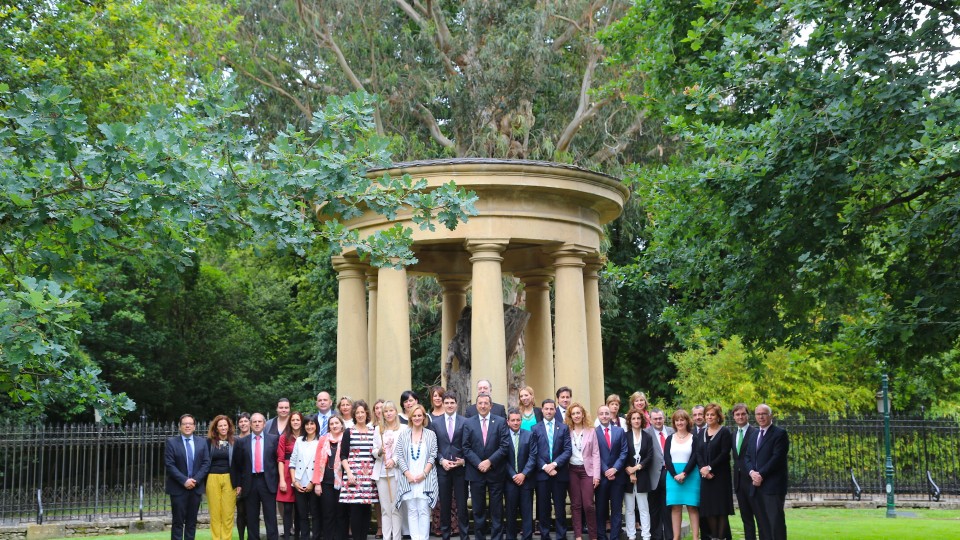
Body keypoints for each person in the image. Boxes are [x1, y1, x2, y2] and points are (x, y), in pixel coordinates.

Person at [463, 393, 511, 540]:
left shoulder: (501, 421)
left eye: (486, 403)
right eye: (480, 403)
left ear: (491, 405)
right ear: (476, 405)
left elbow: (504, 446)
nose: (483, 406)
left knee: (496, 510)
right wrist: (479, 463)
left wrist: (489, 461)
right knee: (478, 510)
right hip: (476, 473)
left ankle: (496, 537)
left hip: (495, 472)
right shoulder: (468, 423)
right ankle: (480, 537)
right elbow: (466, 447)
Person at [233, 412, 280, 540]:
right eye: (254, 422)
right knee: (251, 517)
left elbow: (278, 462)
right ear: (250, 424)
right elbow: (237, 465)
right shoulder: (242, 442)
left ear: (264, 424)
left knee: (270, 516)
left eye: (260, 421)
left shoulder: (274, 439)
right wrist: (238, 484)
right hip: (250, 482)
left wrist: (279, 481)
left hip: (268, 482)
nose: (257, 424)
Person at [395, 404, 439, 540]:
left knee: (424, 510)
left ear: (424, 417)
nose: (417, 418)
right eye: (414, 415)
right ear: (410, 417)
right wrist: (407, 474)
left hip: (425, 477)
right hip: (408, 478)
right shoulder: (404, 434)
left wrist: (424, 474)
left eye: (420, 415)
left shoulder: (430, 434)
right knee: (412, 511)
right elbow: (400, 455)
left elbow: (433, 455)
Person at [745, 404, 789, 540]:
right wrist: (752, 472)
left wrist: (761, 475)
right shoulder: (754, 434)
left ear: (770, 415)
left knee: (775, 523)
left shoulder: (780, 434)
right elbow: (747, 456)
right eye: (758, 414)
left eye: (764, 413)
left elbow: (777, 458)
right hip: (756, 487)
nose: (761, 416)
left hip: (772, 486)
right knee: (762, 524)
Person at [531, 398, 572, 540]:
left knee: (560, 507)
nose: (549, 411)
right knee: (543, 507)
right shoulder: (535, 428)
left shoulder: (564, 428)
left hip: (559, 473)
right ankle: (545, 535)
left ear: (555, 410)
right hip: (542, 475)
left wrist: (554, 465)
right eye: (546, 409)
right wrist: (545, 467)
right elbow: (533, 452)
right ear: (542, 410)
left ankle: (561, 535)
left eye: (551, 409)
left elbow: (567, 450)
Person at [165, 414, 211, 540]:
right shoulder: (171, 442)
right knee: (178, 522)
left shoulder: (202, 442)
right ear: (180, 427)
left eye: (190, 423)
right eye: (184, 423)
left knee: (192, 522)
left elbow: (206, 463)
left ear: (194, 426)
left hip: (195, 489)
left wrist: (195, 480)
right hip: (178, 488)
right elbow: (169, 465)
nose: (187, 426)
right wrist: (184, 480)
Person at [431, 391, 469, 540]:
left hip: (460, 470)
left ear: (456, 404)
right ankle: (445, 535)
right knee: (445, 505)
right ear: (443, 404)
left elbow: (468, 445)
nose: (449, 405)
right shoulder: (435, 423)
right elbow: (434, 447)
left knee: (462, 505)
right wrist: (441, 461)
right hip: (443, 469)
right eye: (446, 402)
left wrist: (463, 460)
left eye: (452, 402)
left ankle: (464, 536)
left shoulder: (464, 422)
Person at [340, 401, 379, 540]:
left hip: (369, 476)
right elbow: (343, 455)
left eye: (362, 412)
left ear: (367, 413)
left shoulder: (374, 432)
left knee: (366, 510)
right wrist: (349, 473)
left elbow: (375, 453)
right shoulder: (348, 432)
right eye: (357, 413)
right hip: (353, 476)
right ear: (354, 415)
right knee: (355, 510)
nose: (360, 415)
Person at [698, 404, 733, 540]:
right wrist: (703, 469)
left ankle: (720, 537)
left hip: (720, 477)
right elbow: (698, 453)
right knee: (710, 510)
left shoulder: (724, 432)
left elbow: (724, 453)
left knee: (721, 510)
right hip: (705, 477)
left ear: (718, 416)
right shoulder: (702, 433)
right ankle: (714, 537)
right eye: (707, 414)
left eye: (712, 414)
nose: (709, 417)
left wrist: (710, 468)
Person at [564, 402, 599, 540]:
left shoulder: (591, 431)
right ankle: (578, 536)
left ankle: (593, 536)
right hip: (572, 470)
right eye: (573, 414)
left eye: (578, 413)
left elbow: (596, 453)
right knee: (576, 504)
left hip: (587, 472)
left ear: (583, 414)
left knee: (589, 504)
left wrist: (596, 475)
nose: (576, 416)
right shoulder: (567, 430)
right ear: (570, 416)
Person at [664, 409, 700, 540]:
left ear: (687, 421)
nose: (679, 422)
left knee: (692, 507)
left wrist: (684, 473)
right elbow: (667, 458)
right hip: (673, 476)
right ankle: (676, 537)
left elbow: (695, 457)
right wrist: (674, 475)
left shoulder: (694, 438)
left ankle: (696, 537)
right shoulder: (669, 439)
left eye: (682, 420)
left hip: (690, 475)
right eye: (677, 420)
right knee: (675, 507)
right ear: (674, 422)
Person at [312, 415, 348, 540]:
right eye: (331, 424)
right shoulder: (323, 440)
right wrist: (317, 483)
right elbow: (317, 461)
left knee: (341, 513)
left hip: (342, 482)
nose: (334, 426)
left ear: (341, 424)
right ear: (329, 427)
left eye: (336, 423)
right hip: (325, 482)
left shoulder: (346, 438)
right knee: (328, 513)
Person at [375, 401, 407, 540]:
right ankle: (386, 537)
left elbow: (404, 450)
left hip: (396, 473)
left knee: (395, 508)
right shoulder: (378, 430)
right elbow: (374, 450)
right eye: (386, 411)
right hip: (382, 473)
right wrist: (380, 451)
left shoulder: (404, 429)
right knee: (385, 508)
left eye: (391, 410)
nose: (388, 414)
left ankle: (397, 537)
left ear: (396, 412)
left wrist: (394, 460)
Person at [595, 405, 628, 540]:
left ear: (611, 415)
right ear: (598, 416)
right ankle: (601, 536)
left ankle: (615, 537)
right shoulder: (594, 432)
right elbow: (594, 454)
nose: (604, 416)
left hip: (618, 477)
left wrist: (615, 468)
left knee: (617, 510)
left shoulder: (619, 431)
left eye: (606, 413)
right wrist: (605, 470)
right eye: (601, 413)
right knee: (601, 509)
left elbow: (624, 452)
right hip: (601, 477)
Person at [504, 408, 538, 540]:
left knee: (527, 512)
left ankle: (527, 537)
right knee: (510, 512)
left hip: (526, 481)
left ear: (521, 421)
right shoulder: (503, 436)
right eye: (513, 420)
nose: (516, 422)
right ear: (508, 422)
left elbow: (533, 456)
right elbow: (503, 459)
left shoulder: (529, 435)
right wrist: (513, 475)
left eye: (518, 420)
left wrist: (523, 474)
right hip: (510, 481)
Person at [290, 415, 321, 540]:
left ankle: (316, 537)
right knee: (302, 514)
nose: (309, 426)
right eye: (307, 424)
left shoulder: (321, 441)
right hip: (299, 482)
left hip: (313, 482)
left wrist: (312, 483)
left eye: (312, 424)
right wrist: (294, 481)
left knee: (315, 514)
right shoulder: (299, 441)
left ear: (316, 426)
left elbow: (320, 464)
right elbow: (292, 462)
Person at [644, 408, 674, 540]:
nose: (658, 420)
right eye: (655, 418)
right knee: (654, 510)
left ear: (664, 418)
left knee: (669, 508)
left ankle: (670, 536)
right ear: (650, 419)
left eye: (660, 418)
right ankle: (657, 537)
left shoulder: (672, 431)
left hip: (670, 474)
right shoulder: (645, 433)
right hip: (653, 476)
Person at [206, 415, 237, 540]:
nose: (223, 428)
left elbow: (238, 463)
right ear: (216, 428)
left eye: (225, 425)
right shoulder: (209, 442)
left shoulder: (235, 442)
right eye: (220, 426)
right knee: (215, 513)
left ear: (229, 427)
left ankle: (226, 538)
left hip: (230, 478)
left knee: (228, 513)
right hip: (212, 477)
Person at [624, 409, 654, 540]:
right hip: (627, 477)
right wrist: (629, 472)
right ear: (630, 421)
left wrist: (637, 467)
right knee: (629, 508)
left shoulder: (647, 436)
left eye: (638, 418)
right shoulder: (625, 436)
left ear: (642, 420)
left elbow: (650, 456)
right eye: (633, 418)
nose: (636, 421)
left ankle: (646, 535)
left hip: (642, 475)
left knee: (643, 507)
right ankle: (631, 535)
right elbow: (623, 455)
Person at [730, 404, 758, 540]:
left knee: (759, 515)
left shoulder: (755, 432)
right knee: (746, 517)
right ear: (734, 417)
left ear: (748, 415)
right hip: (739, 481)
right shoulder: (733, 434)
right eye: (737, 414)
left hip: (753, 480)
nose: (740, 417)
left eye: (743, 414)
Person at [277, 412, 304, 540]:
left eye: (298, 420)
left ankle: (298, 535)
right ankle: (287, 535)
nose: (295, 422)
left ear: (301, 421)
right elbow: (280, 459)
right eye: (293, 420)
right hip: (287, 473)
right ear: (290, 422)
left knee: (300, 507)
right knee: (287, 508)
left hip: (302, 472)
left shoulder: (306, 436)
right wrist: (282, 479)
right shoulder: (284, 437)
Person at [236, 412, 252, 540]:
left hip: (253, 481)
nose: (243, 424)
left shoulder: (255, 438)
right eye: (241, 421)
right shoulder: (235, 440)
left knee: (252, 512)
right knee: (241, 512)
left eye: (246, 421)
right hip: (240, 482)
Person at [372, 399, 386, 538]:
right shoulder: (371, 426)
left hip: (387, 465)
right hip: (373, 465)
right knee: (377, 499)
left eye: (382, 407)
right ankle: (380, 527)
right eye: (377, 408)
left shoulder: (392, 425)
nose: (379, 410)